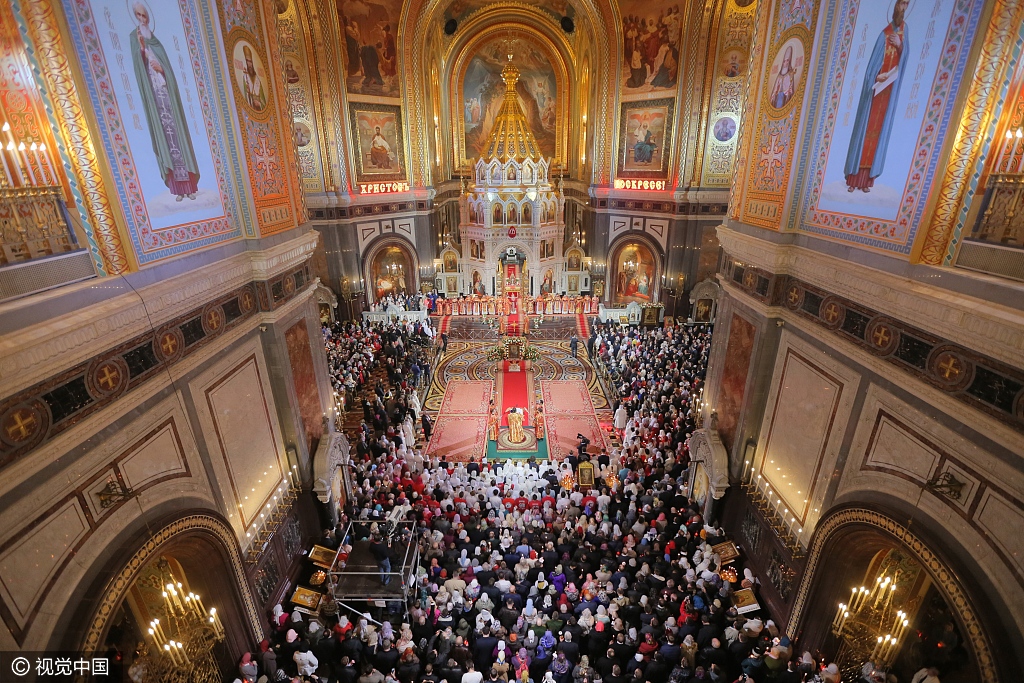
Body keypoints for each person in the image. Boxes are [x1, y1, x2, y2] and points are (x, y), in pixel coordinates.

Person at [129, 1, 200, 200]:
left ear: (149, 17)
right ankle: (178, 190)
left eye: (144, 16)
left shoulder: (157, 42)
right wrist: (142, 50)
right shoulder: (135, 39)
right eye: (139, 16)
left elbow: (168, 71)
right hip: (156, 102)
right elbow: (139, 68)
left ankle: (190, 188)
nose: (142, 19)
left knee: (179, 141)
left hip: (168, 98)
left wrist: (162, 70)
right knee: (166, 143)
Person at [844, 0, 909, 192]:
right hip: (874, 94)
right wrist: (876, 76)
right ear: (895, 5)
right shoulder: (884, 34)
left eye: (906, 4)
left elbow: (904, 59)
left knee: (878, 137)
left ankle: (866, 182)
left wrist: (901, 46)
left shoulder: (905, 33)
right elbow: (871, 66)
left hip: (888, 95)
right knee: (864, 136)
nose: (903, 8)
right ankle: (853, 180)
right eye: (901, 3)